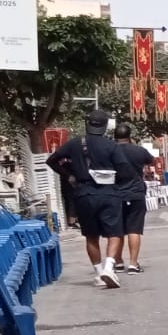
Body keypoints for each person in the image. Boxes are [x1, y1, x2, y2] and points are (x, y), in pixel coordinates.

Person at [46, 110, 129, 287]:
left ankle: (99, 274)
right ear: (105, 126)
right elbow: (124, 170)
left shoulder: (74, 143)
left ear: (88, 124)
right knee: (115, 233)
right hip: (108, 192)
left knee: (91, 236)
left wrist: (68, 175)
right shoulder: (111, 146)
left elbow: (51, 160)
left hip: (83, 194)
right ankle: (109, 267)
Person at [111, 122, 157, 274]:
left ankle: (118, 262)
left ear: (114, 137)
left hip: (115, 194)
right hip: (136, 193)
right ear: (129, 136)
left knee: (117, 230)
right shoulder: (139, 150)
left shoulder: (110, 150)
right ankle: (133, 264)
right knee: (134, 230)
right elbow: (152, 160)